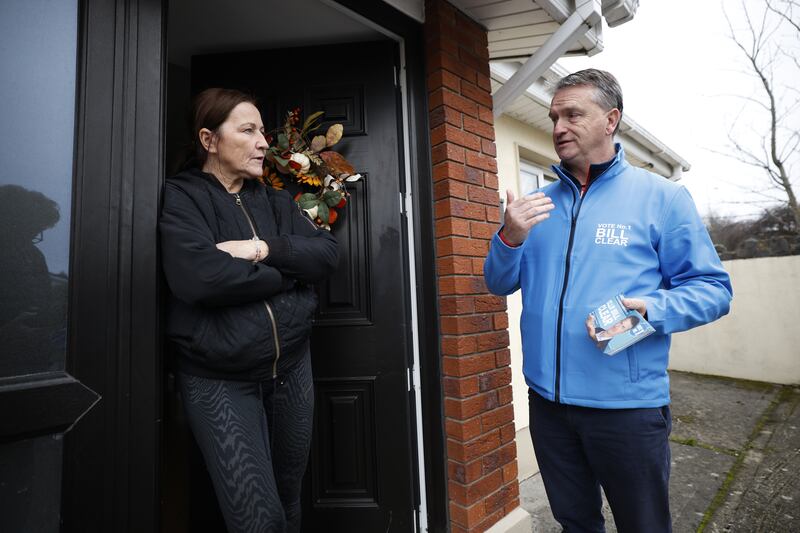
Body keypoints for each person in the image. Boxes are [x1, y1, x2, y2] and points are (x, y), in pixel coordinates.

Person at [483, 69, 732, 532]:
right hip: (549, 405)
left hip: (627, 410)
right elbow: (498, 284)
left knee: (643, 525)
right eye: (555, 116)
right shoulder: (536, 206)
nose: (559, 126)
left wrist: (653, 309)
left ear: (611, 119)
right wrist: (509, 235)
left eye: (573, 114)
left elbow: (714, 291)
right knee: (575, 523)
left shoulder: (663, 198)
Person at [160, 88, 338, 533]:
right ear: (209, 139)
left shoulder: (275, 201)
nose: (263, 142)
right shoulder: (181, 197)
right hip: (219, 380)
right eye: (249, 130)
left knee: (289, 497)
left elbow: (328, 255)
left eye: (262, 131)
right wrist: (286, 274)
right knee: (257, 520)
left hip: (291, 368)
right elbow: (201, 278)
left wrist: (261, 249)